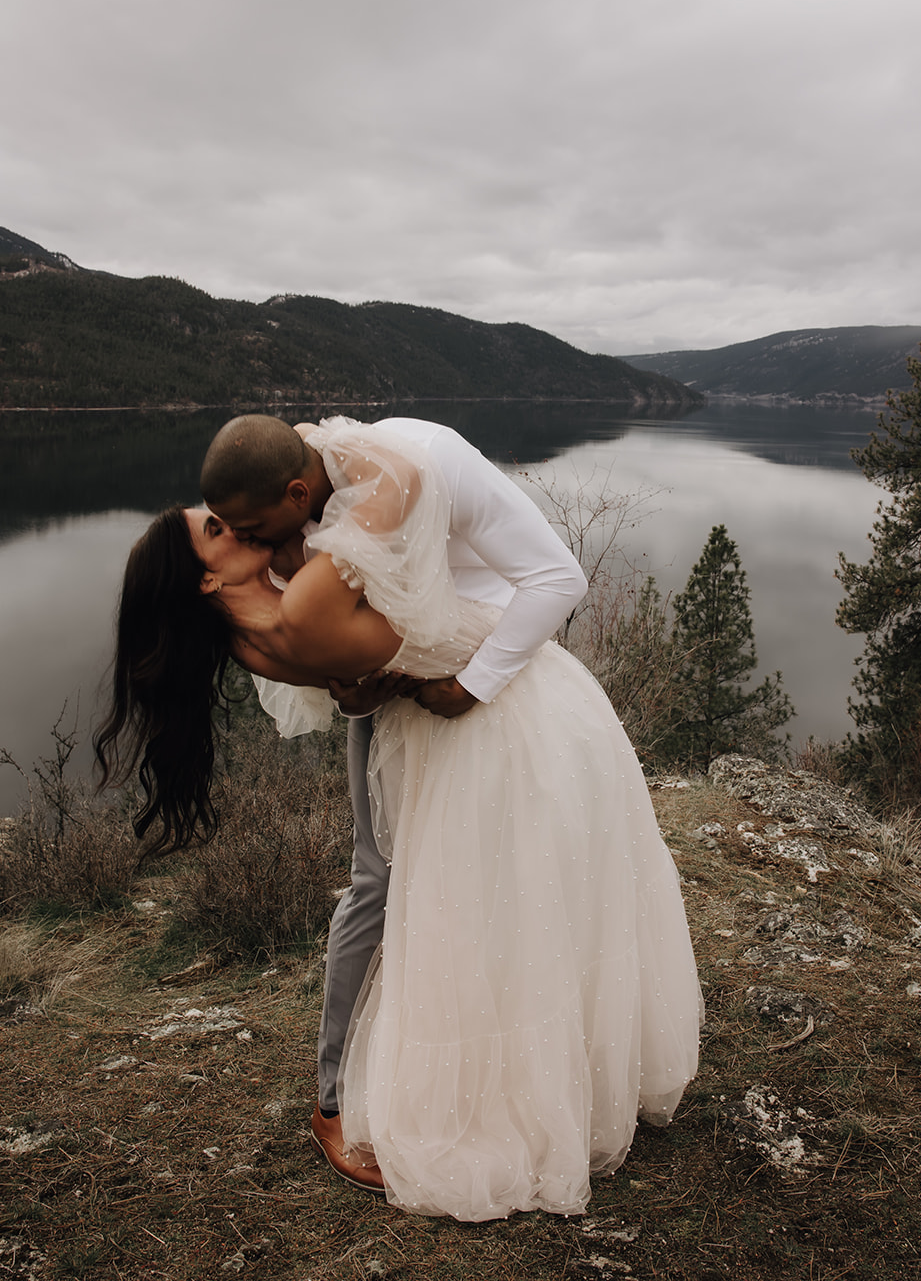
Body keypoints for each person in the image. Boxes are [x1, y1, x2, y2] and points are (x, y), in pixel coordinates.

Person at [97, 416, 702, 1221]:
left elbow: (551, 578)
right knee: (429, 884)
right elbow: (382, 526)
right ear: (206, 577)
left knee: (469, 884)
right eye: (220, 529)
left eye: (239, 519)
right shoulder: (315, 553)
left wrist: (393, 675)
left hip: (487, 695)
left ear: (298, 492)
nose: (243, 532)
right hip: (455, 715)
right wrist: (329, 440)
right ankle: (353, 1093)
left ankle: (506, 1075)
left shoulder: (267, 609)